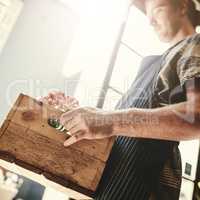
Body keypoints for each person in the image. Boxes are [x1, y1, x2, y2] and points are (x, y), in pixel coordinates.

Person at [41, 0, 200, 199]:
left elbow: (196, 116)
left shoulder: (194, 46)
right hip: (111, 183)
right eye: (148, 17)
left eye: (158, 10)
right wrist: (78, 116)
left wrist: (107, 120)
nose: (151, 22)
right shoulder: (156, 62)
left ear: (183, 6)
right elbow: (125, 131)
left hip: (142, 185)